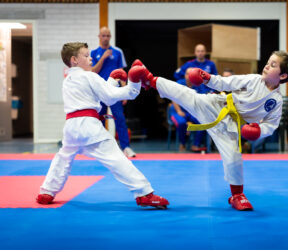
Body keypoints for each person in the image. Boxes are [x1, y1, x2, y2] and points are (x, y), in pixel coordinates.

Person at [130, 51, 288, 211]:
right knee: (186, 94)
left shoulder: (276, 101)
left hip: (231, 126)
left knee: (234, 158)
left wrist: (259, 130)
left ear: (282, 76)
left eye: (273, 65)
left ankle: (237, 196)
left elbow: (271, 125)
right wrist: (208, 78)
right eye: (268, 62)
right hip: (218, 104)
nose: (267, 66)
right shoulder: (253, 79)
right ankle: (149, 78)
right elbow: (227, 82)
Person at [36, 42, 169, 209]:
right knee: (117, 159)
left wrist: (111, 81)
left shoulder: (68, 79)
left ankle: (47, 191)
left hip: (71, 127)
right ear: (74, 60)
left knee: (63, 158)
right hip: (89, 127)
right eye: (86, 55)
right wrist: (133, 84)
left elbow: (97, 93)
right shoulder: (89, 76)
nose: (91, 58)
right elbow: (110, 97)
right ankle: (144, 194)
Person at [91, 27, 136, 158]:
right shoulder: (94, 53)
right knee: (99, 119)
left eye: (108, 35)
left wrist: (125, 91)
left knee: (120, 119)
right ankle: (100, 147)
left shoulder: (118, 52)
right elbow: (93, 71)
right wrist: (103, 58)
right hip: (100, 91)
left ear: (110, 37)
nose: (105, 38)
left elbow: (122, 72)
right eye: (103, 35)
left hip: (115, 91)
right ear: (99, 36)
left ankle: (126, 148)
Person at [170, 68, 210, 152]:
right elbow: (173, 98)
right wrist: (178, 111)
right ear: (185, 75)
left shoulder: (198, 84)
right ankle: (182, 144)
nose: (189, 76)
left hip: (192, 112)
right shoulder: (179, 83)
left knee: (203, 122)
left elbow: (201, 99)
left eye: (191, 74)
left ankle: (196, 145)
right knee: (181, 123)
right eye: (187, 74)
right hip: (178, 111)